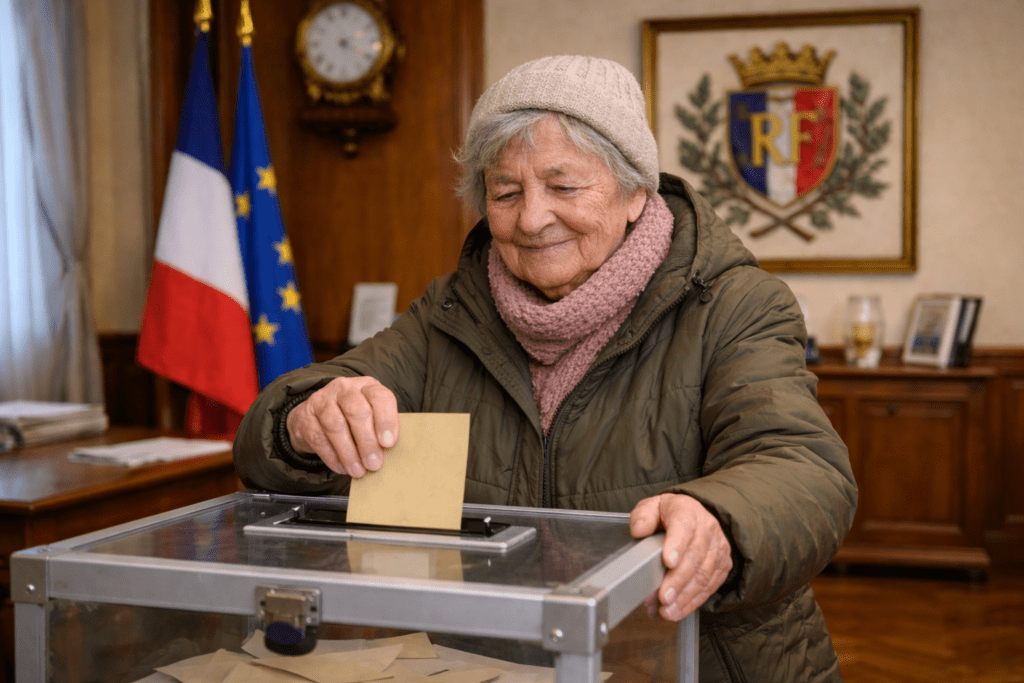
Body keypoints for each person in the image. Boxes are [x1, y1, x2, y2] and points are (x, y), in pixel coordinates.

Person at [234, 55, 857, 682]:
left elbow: (803, 465)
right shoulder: (449, 313)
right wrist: (305, 419)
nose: (531, 219)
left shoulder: (735, 304)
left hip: (696, 663)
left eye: (563, 187)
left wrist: (719, 519)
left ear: (636, 191)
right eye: (506, 193)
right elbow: (272, 427)